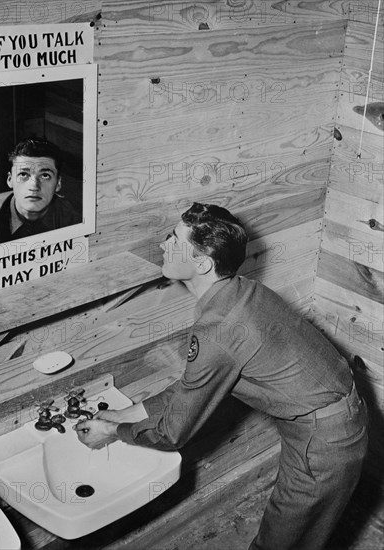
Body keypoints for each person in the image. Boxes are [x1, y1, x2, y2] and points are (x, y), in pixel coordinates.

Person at [74, 202, 368, 550]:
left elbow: (172, 434)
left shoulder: (218, 330)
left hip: (324, 440)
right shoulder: (241, 291)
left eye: (174, 241)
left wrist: (115, 432)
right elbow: (193, 385)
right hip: (335, 420)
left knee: (281, 544)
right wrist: (123, 413)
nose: (163, 246)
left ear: (202, 263)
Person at [0, 137, 82, 243]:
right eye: (23, 174)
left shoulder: (76, 219)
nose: (34, 186)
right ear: (10, 180)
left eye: (45, 175)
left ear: (58, 183)